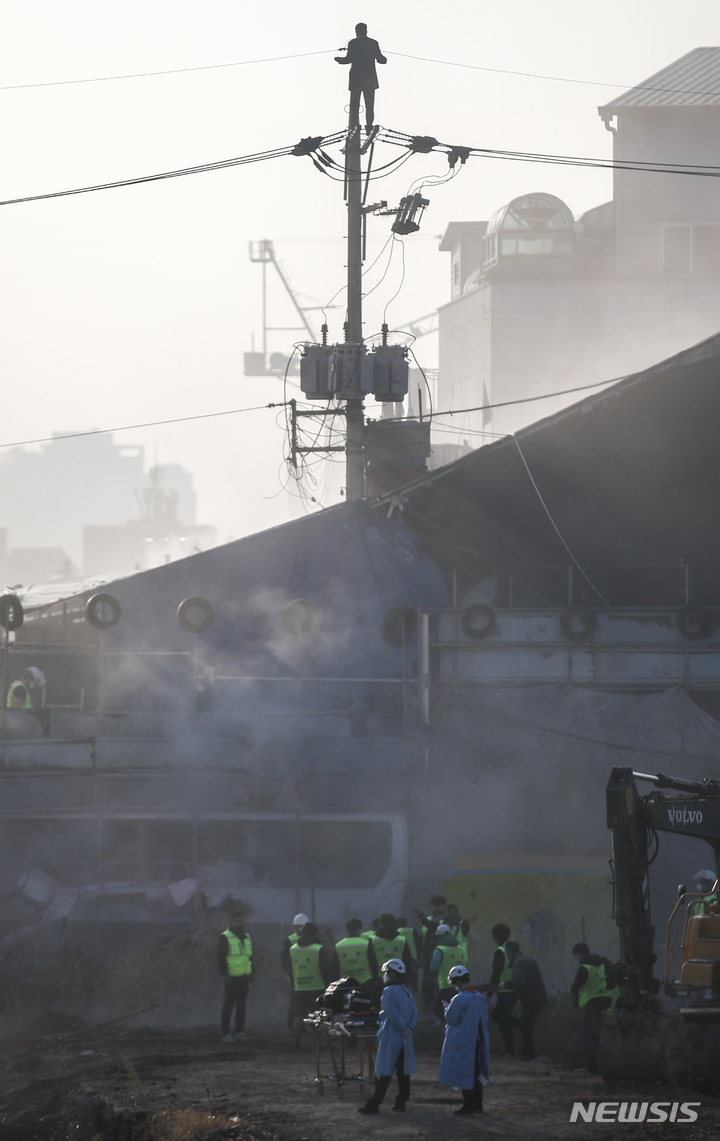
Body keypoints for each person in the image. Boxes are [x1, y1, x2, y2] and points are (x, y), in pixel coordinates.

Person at [358, 958, 418, 1115]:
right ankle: (401, 1102)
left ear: (393, 974)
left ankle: (374, 1104)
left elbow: (392, 1013)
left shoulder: (388, 992)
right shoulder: (407, 992)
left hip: (393, 1036)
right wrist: (409, 1027)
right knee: (403, 1073)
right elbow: (414, 1013)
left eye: (386, 973)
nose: (385, 975)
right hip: (405, 1038)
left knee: (385, 1073)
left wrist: (402, 1027)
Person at [438, 965, 490, 1117]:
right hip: (478, 1041)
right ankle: (478, 1104)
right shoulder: (479, 996)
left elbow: (452, 1020)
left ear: (458, 981)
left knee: (466, 1074)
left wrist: (447, 1009)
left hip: (465, 1043)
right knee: (476, 1074)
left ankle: (468, 1106)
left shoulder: (460, 998)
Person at [570, 942, 618, 1073]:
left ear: (580, 954)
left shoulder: (585, 967)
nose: (576, 959)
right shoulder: (601, 964)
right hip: (604, 1000)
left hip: (592, 1003)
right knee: (597, 1032)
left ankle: (593, 1065)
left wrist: (576, 997)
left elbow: (576, 986)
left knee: (587, 1035)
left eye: (576, 956)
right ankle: (610, 1053)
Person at [287, 921, 335, 1049]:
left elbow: (290, 967)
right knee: (317, 1016)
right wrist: (329, 985)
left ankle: (296, 1042)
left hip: (299, 987)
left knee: (299, 1015)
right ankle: (316, 1042)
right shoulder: (318, 949)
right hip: (316, 986)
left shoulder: (293, 949)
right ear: (315, 933)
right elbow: (326, 968)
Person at [501, 940, 548, 1060]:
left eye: (506, 951)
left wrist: (505, 985)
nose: (506, 953)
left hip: (531, 999)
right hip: (536, 997)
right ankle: (526, 1050)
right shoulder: (528, 959)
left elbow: (520, 981)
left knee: (525, 1026)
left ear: (509, 951)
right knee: (524, 1024)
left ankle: (529, 1053)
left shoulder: (518, 962)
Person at [335, 23, 387, 130]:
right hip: (370, 79)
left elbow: (348, 59)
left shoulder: (353, 43)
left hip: (356, 79)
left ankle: (354, 126)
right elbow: (381, 60)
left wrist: (339, 60)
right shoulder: (373, 43)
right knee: (370, 105)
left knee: (354, 105)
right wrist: (384, 59)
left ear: (356, 31)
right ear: (366, 31)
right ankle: (369, 126)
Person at [217, 911, 254, 1043]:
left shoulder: (246, 936)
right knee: (228, 1006)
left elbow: (248, 956)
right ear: (231, 922)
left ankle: (239, 1031)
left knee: (241, 1006)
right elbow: (220, 957)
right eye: (237, 921)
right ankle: (226, 1034)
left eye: (241, 921)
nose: (240, 923)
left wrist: (252, 972)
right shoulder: (225, 937)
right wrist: (225, 974)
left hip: (244, 976)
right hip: (231, 977)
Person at [488, 923, 516, 1055]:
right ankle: (522, 1026)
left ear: (495, 937)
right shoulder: (512, 950)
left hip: (505, 991)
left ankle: (510, 1050)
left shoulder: (500, 951)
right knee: (497, 1016)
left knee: (503, 1021)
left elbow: (496, 973)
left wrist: (489, 993)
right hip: (513, 989)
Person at [331, 917, 379, 995]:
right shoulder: (366, 943)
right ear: (358, 929)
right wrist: (375, 980)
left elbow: (334, 968)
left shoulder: (339, 945)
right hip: (365, 982)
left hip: (346, 984)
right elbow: (373, 963)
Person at [429, 924, 467, 1019]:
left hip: (446, 985)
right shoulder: (462, 949)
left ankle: (451, 1025)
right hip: (462, 986)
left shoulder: (440, 950)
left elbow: (433, 967)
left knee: (437, 1008)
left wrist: (433, 974)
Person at [417, 895, 447, 1015]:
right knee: (427, 986)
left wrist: (421, 917)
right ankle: (428, 1010)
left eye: (439, 905)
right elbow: (423, 940)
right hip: (428, 957)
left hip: (442, 957)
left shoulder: (446, 919)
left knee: (441, 986)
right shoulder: (428, 919)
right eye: (434, 905)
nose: (436, 907)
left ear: (444, 906)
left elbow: (434, 926)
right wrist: (420, 958)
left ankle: (442, 1011)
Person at [280, 913, 309, 1030]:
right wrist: (288, 974)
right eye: (299, 926)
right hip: (295, 976)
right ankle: (291, 1026)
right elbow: (285, 959)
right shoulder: (290, 940)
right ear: (295, 927)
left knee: (306, 1003)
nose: (301, 928)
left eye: (303, 926)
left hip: (308, 974)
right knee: (294, 1003)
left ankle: (303, 1027)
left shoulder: (311, 939)